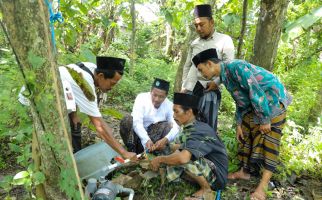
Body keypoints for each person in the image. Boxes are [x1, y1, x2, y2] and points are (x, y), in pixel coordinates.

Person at [192, 49, 292, 200]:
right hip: (257, 105)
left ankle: (263, 187)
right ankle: (244, 172)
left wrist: (265, 119)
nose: (201, 74)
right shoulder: (224, 76)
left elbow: (255, 90)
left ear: (210, 64)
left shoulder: (236, 67)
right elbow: (241, 100)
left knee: (270, 142)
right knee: (243, 132)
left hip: (273, 102)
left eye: (201, 69)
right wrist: (239, 123)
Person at [150, 93, 228, 199]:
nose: (173, 115)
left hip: (217, 176)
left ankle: (206, 189)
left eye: (176, 111)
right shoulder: (190, 127)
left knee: (183, 159)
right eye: (173, 111)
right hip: (207, 166)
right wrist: (165, 146)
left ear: (189, 112)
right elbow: (180, 146)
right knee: (172, 154)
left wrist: (160, 159)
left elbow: (183, 158)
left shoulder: (199, 130)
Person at [58, 56, 136, 160]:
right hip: (48, 102)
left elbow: (71, 88)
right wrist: (124, 152)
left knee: (75, 125)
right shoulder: (85, 85)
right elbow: (99, 126)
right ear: (101, 75)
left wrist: (73, 114)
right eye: (112, 83)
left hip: (61, 99)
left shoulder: (91, 68)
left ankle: (76, 160)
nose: (112, 88)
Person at [181, 4, 235, 132]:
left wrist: (216, 83)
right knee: (188, 125)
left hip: (209, 89)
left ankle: (205, 152)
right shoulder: (194, 43)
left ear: (212, 22)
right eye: (196, 25)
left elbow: (228, 66)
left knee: (206, 127)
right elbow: (188, 65)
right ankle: (187, 151)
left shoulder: (224, 40)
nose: (199, 28)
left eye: (202, 24)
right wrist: (184, 84)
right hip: (190, 89)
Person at [120, 78, 180, 154]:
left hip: (154, 137)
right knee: (127, 119)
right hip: (135, 136)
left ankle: (155, 151)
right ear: (151, 91)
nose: (156, 99)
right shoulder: (141, 98)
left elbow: (176, 126)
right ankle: (132, 150)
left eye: (161, 97)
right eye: (154, 95)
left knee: (168, 126)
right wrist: (146, 139)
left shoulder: (169, 105)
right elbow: (137, 122)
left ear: (166, 96)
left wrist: (166, 139)